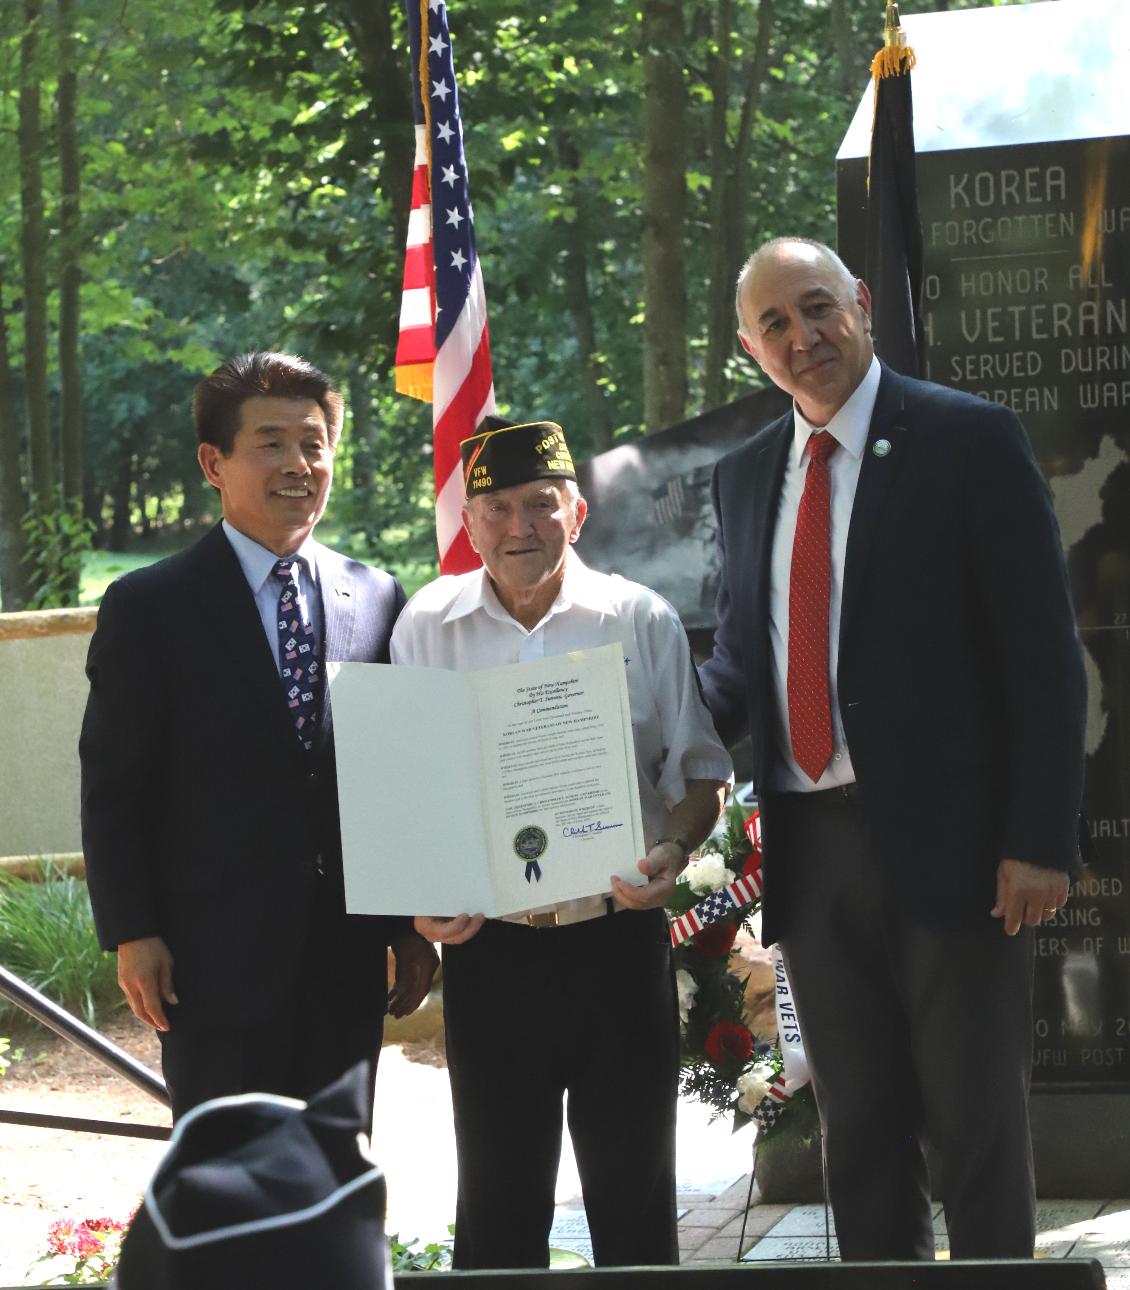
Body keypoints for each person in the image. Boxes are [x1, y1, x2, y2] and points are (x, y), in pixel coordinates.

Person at [700, 238, 1087, 1262]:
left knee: (975, 1133)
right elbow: (740, 661)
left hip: (957, 855)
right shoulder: (743, 479)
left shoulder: (966, 440)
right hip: (811, 854)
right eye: (774, 325)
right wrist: (639, 752)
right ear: (749, 347)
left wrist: (1038, 837)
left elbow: (1042, 658)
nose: (801, 337)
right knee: (857, 1138)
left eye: (816, 309)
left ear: (861, 306)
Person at [391, 416, 732, 1270]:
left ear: (576, 514)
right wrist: (423, 893)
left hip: (617, 942)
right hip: (494, 955)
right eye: (497, 508)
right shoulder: (427, 628)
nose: (520, 527)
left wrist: (674, 853)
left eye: (541, 505)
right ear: (467, 524)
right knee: (498, 1206)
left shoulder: (638, 618)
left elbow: (700, 775)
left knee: (635, 1200)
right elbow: (407, 790)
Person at [80, 351, 438, 1122]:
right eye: (270, 444)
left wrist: (412, 926)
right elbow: (114, 783)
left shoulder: (377, 597)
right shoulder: (151, 606)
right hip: (211, 962)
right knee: (226, 1188)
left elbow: (392, 778)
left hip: (345, 960)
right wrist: (132, 932)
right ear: (215, 462)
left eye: (313, 443)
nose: (298, 465)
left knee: (333, 1182)